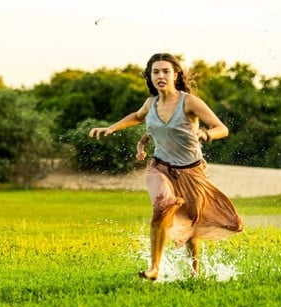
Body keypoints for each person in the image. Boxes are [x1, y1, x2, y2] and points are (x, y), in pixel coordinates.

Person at [89, 53, 243, 281]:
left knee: (191, 223)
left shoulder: (189, 102)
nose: (160, 76)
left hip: (191, 173)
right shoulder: (151, 103)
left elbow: (222, 128)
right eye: (155, 72)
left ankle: (194, 272)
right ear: (149, 77)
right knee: (162, 208)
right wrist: (112, 128)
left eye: (165, 71)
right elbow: (137, 116)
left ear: (176, 74)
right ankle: (155, 269)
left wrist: (205, 133)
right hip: (160, 168)